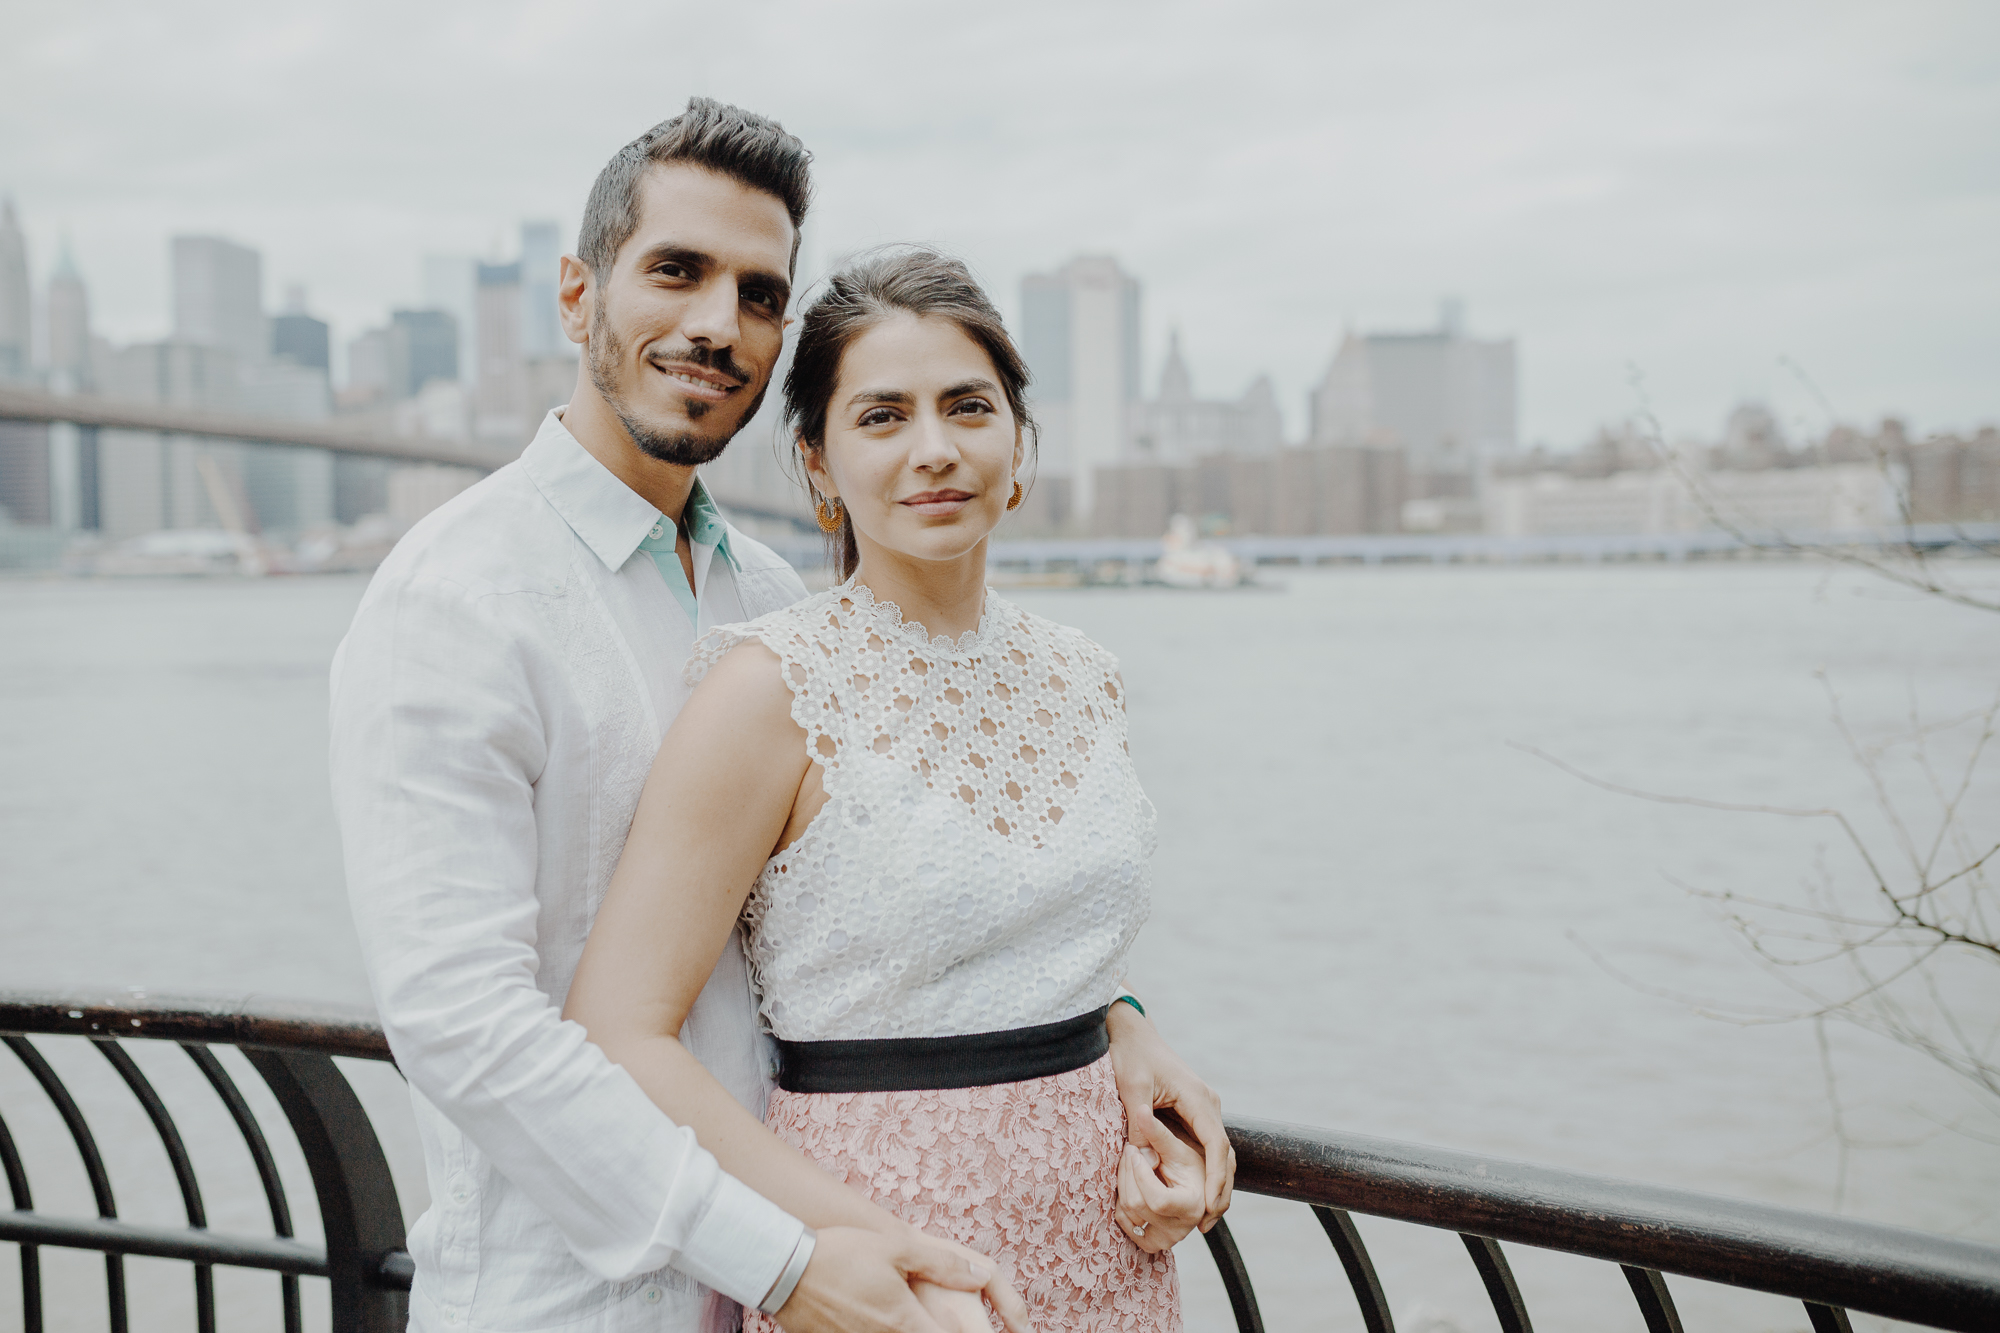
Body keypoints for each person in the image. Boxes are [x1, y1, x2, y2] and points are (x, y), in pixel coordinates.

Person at [330, 100, 1226, 1333]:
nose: (718, 324)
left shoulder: (765, 593)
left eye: (759, 293)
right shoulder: (458, 598)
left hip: (822, 1264)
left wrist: (1110, 1027)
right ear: (576, 294)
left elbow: (877, 908)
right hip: (584, 1298)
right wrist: (782, 1256)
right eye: (677, 272)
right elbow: (464, 1027)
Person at [563, 248, 1233, 1332]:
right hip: (885, 1267)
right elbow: (618, 1029)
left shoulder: (1082, 673)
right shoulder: (767, 687)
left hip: (1109, 1241)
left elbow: (1026, 943)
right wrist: (845, 1246)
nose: (934, 450)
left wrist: (1128, 1029)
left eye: (967, 407)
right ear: (818, 465)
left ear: (1018, 444)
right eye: (881, 418)